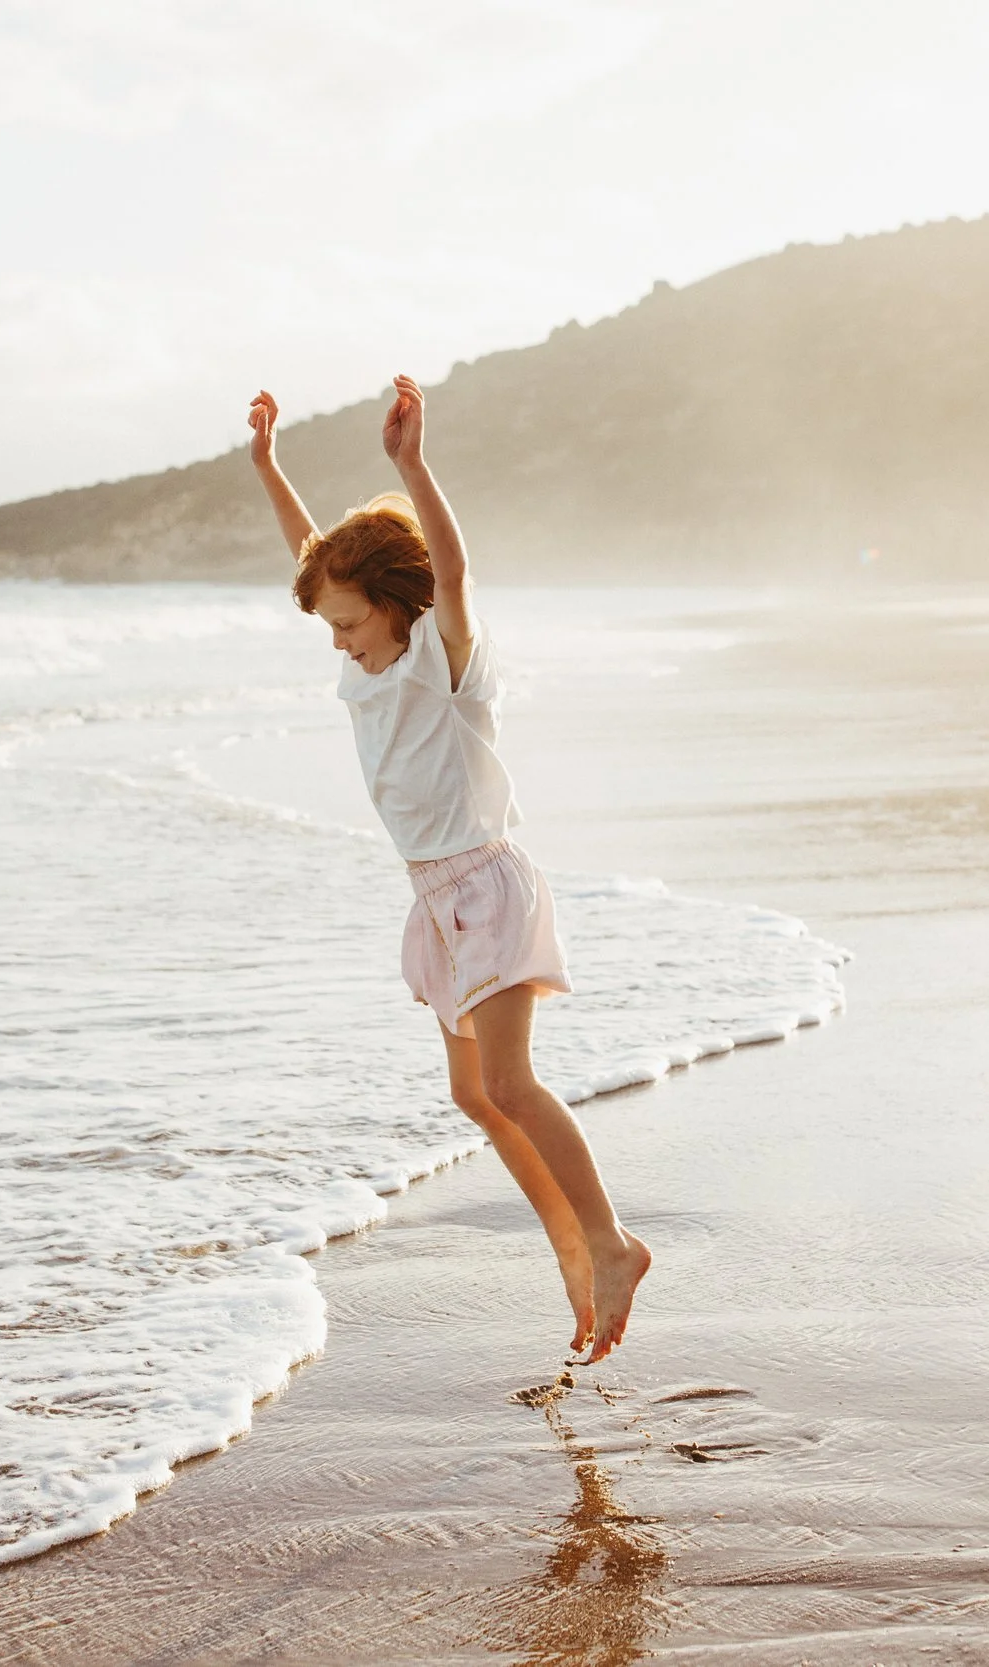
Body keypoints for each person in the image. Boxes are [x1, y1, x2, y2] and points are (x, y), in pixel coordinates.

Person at [247, 374, 653, 1364]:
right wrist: (268, 465)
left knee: (510, 1081)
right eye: (331, 626)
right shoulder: (367, 660)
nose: (338, 640)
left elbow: (455, 570)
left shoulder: (446, 656)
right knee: (475, 1096)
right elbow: (313, 557)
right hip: (436, 902)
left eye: (349, 622)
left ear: (397, 606)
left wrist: (411, 464)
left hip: (487, 888)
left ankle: (610, 1240)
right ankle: (571, 1244)